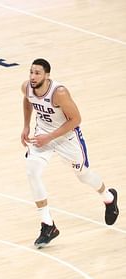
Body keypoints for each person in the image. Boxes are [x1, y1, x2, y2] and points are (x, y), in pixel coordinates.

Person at [21, 58, 120, 248]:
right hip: (43, 135)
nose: (33, 77)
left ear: (47, 76)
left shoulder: (59, 93)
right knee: (32, 171)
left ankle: (108, 197)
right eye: (31, 72)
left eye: (37, 73)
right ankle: (47, 224)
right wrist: (26, 126)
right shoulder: (26, 87)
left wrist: (50, 137)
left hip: (67, 137)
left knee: (82, 175)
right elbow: (27, 100)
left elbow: (76, 119)